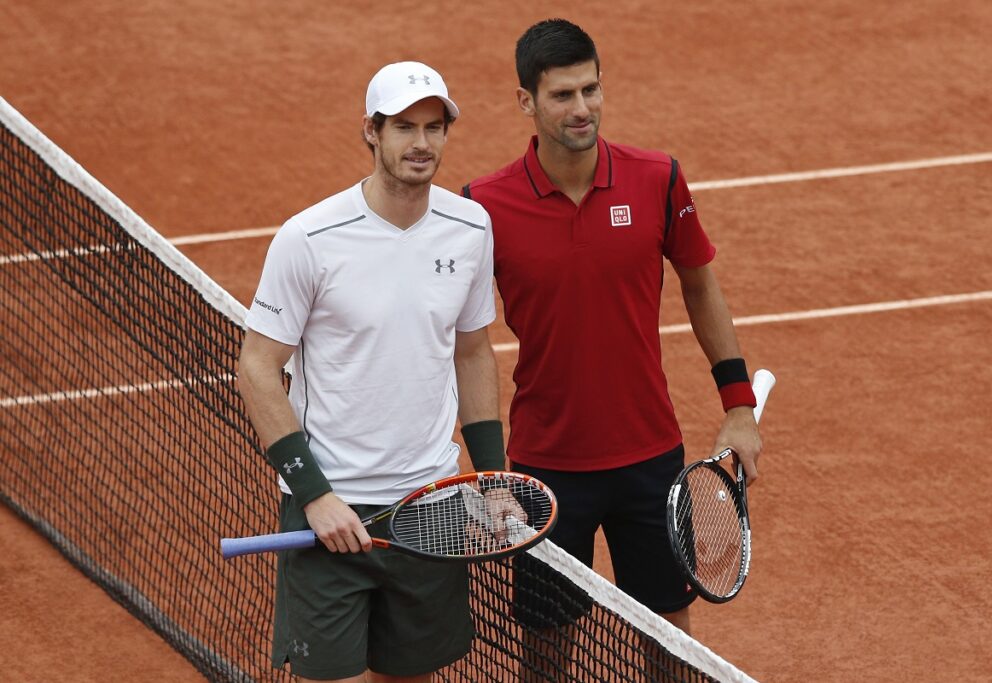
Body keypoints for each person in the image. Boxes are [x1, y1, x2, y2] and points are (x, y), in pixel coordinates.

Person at [462, 18, 764, 641]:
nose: (583, 109)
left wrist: (738, 408)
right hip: (547, 466)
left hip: (651, 458)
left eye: (591, 90)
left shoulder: (657, 179)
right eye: (563, 95)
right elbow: (462, 343)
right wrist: (487, 469)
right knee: (546, 644)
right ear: (526, 102)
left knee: (669, 641)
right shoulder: (482, 208)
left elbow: (701, 284)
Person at [237, 61, 507, 683]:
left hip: (429, 506)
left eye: (434, 128)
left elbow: (471, 351)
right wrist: (315, 495)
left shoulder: (470, 228)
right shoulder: (310, 238)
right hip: (332, 512)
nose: (421, 144)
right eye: (405, 127)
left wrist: (492, 476)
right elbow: (257, 366)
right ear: (372, 132)